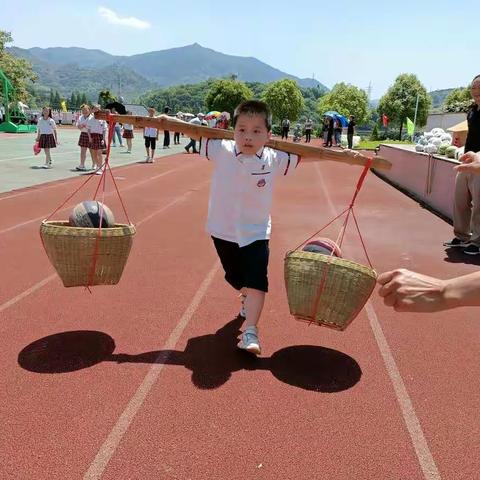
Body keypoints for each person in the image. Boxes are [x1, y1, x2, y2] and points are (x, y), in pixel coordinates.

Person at [168, 100, 361, 355]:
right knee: (236, 278)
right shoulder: (221, 149)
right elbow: (193, 133)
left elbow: (309, 155)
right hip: (222, 230)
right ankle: (245, 296)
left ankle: (250, 331)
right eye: (242, 129)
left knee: (257, 280)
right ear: (233, 130)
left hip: (257, 231)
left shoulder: (274, 158)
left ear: (269, 134)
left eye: (257, 131)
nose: (248, 137)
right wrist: (165, 121)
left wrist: (343, 157)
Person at [443, 74, 480, 255]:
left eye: (479, 87)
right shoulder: (472, 110)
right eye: (473, 87)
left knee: (479, 204)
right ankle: (461, 235)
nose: (476, 91)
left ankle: (477, 241)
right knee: (460, 202)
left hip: (479, 163)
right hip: (466, 160)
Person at [86, 105, 106, 174]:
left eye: (98, 109)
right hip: (93, 136)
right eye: (95, 109)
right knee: (94, 154)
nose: (96, 110)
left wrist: (103, 139)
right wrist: (89, 137)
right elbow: (88, 129)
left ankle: (100, 167)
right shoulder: (90, 119)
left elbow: (104, 130)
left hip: (100, 137)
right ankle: (97, 166)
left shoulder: (102, 119)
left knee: (99, 153)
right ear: (92, 110)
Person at [75, 104, 92, 171]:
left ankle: (94, 164)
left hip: (91, 135)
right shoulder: (80, 117)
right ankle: (82, 164)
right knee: (83, 151)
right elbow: (78, 126)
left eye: (86, 110)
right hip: (83, 134)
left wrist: (86, 126)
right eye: (83, 110)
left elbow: (92, 127)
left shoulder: (92, 118)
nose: (84, 111)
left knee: (92, 151)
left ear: (89, 110)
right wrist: (81, 126)